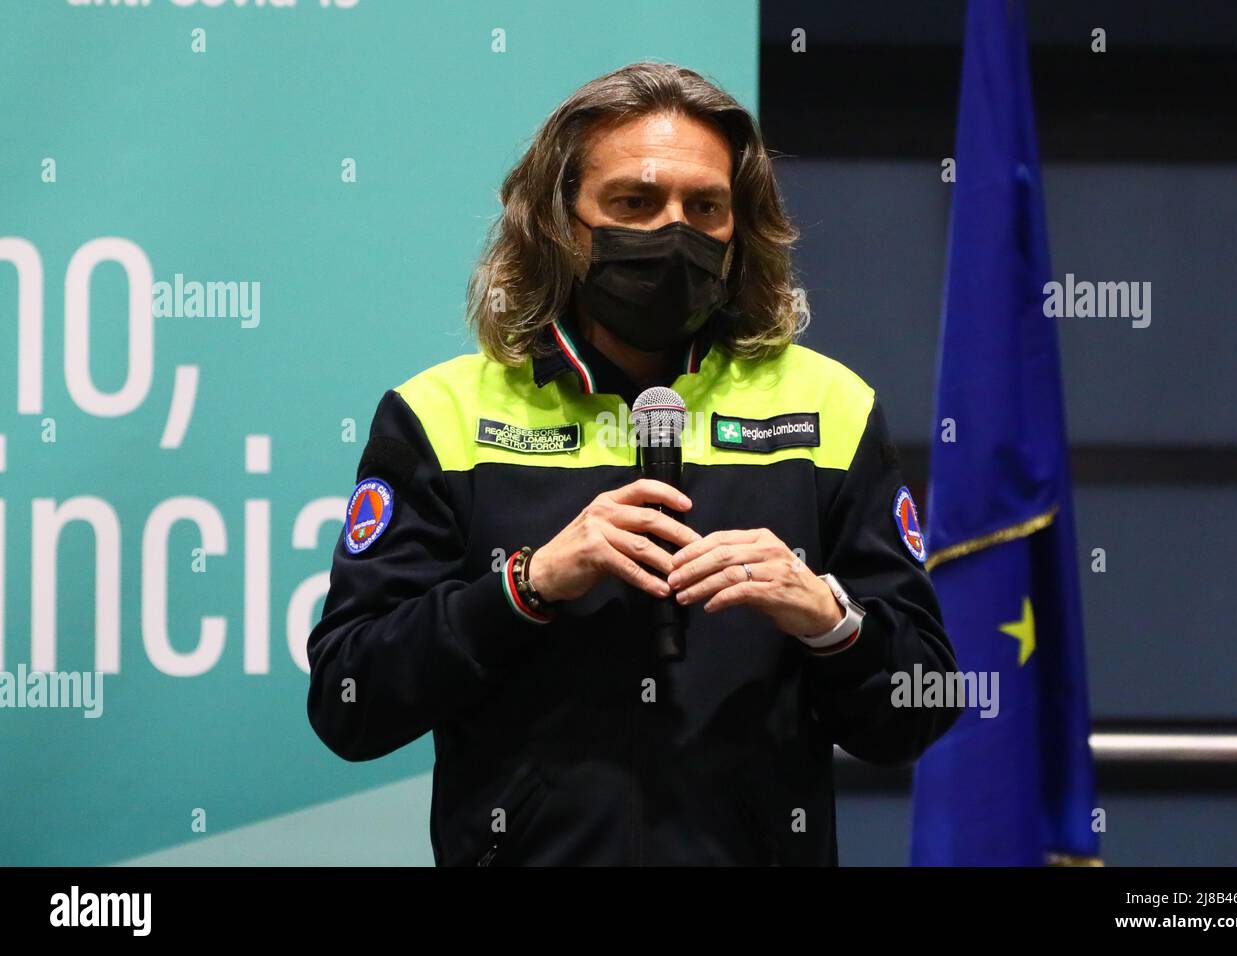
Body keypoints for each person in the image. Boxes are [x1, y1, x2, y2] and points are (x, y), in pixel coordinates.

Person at [306, 61, 961, 866]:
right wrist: (526, 586)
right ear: (559, 221)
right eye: (634, 203)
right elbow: (350, 702)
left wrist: (829, 621)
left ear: (739, 227)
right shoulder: (441, 415)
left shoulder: (831, 406)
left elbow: (917, 709)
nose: (673, 230)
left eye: (706, 207)